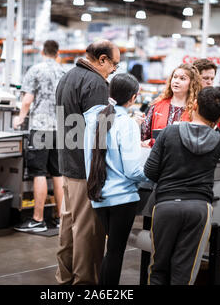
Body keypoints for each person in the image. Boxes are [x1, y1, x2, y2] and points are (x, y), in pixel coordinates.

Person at [144, 86, 220, 285]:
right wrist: (215, 121)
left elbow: (150, 171)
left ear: (194, 105)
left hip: (166, 205)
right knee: (184, 271)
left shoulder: (169, 132)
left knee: (158, 268)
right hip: (199, 208)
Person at [55, 39, 120, 285]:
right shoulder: (95, 83)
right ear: (102, 60)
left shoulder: (68, 76)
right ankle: (84, 283)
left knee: (68, 227)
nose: (114, 70)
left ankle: (64, 279)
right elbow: (99, 131)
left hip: (69, 164)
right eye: (114, 64)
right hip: (86, 169)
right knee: (88, 234)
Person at [84, 73, 148, 285]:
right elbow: (132, 170)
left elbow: (89, 161)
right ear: (133, 98)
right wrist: (150, 174)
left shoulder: (94, 120)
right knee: (115, 253)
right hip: (123, 199)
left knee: (110, 251)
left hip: (99, 196)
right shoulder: (128, 124)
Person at [13, 40, 65, 232]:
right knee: (58, 173)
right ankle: (61, 218)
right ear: (57, 52)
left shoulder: (36, 70)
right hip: (61, 126)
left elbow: (27, 100)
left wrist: (19, 119)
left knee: (39, 172)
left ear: (43, 52)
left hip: (41, 127)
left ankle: (37, 219)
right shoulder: (64, 71)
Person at [141, 63, 202, 146]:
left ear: (192, 83)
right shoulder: (157, 105)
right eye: (175, 77)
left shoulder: (196, 109)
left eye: (182, 78)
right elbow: (144, 135)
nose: (176, 81)